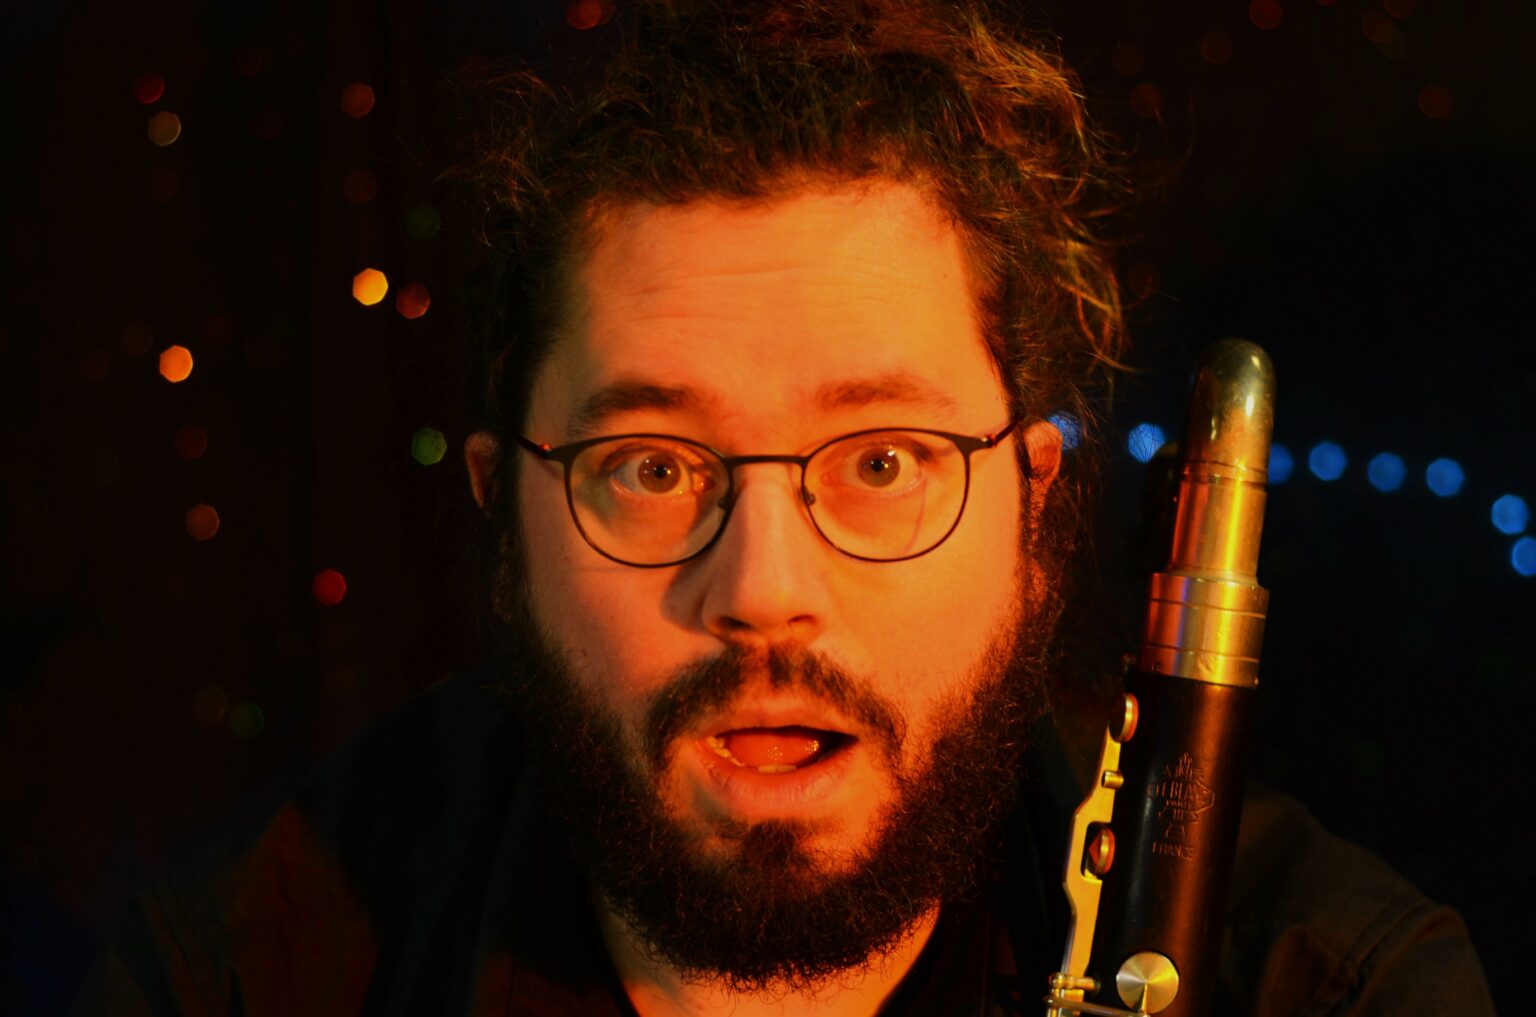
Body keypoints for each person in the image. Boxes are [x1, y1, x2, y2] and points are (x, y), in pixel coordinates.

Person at [73, 1, 1494, 1014]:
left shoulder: (1339, 984)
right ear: (504, 522)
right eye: (652, 468)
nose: (762, 589)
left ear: (1032, 518)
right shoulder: (230, 980)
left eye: (882, 462)